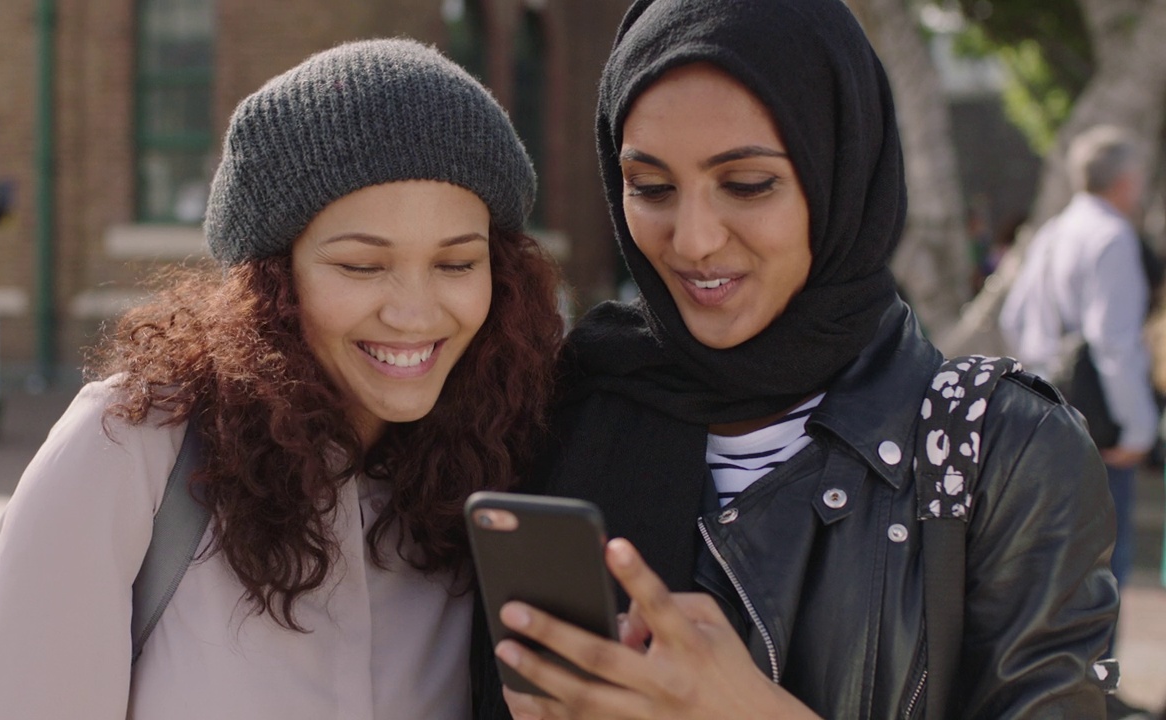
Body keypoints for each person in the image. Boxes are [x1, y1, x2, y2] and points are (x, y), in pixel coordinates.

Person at [469, 0, 1119, 717]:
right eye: (650, 187)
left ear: (841, 170)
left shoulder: (1008, 450)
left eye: (748, 184)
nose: (692, 240)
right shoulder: (552, 406)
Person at [0, 38, 562, 719]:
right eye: (361, 267)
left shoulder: (504, 458)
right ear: (272, 282)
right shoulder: (128, 451)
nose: (415, 312)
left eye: (456, 265)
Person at [1000, 125, 1157, 612]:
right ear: (1127, 181)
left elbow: (1013, 317)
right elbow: (1115, 341)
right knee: (1106, 563)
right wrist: (1138, 428)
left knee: (1056, 563)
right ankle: (1098, 685)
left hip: (1044, 412)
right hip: (1100, 422)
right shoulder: (1112, 236)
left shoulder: (1052, 232)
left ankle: (1063, 685)